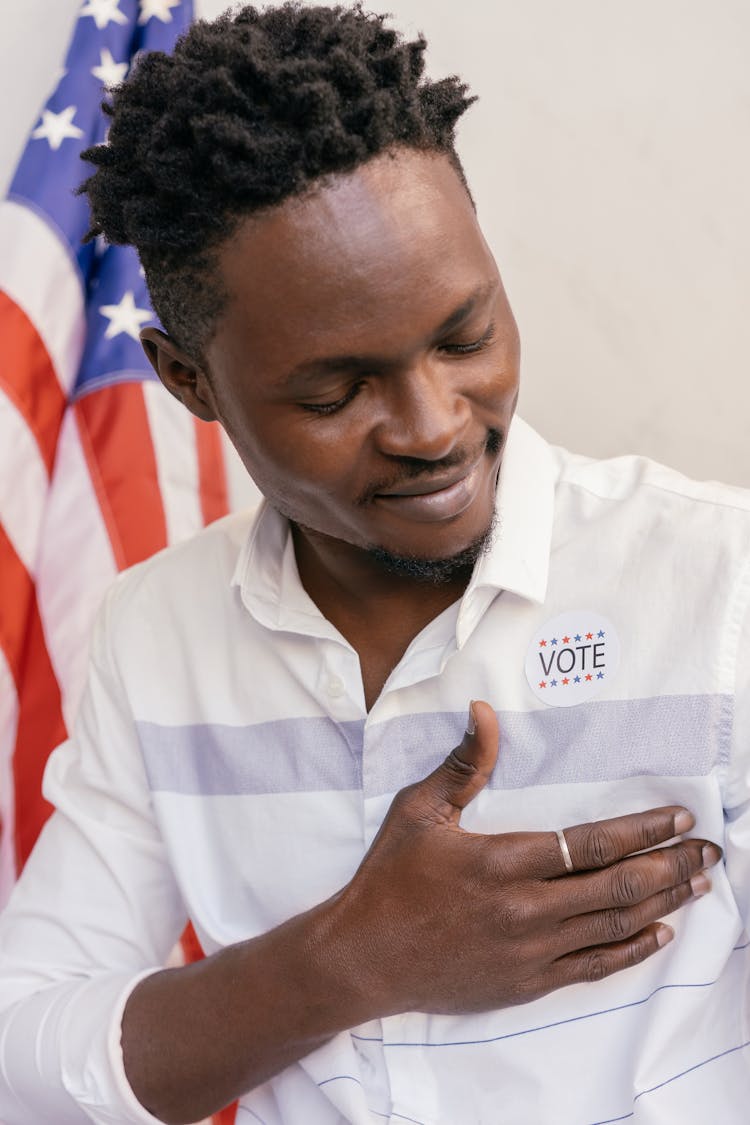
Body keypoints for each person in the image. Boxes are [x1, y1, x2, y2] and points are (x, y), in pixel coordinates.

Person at [0, 4, 748, 1123]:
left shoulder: (717, 579)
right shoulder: (154, 635)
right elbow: (24, 1053)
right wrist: (346, 963)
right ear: (187, 381)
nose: (434, 425)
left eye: (464, 335)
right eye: (335, 392)